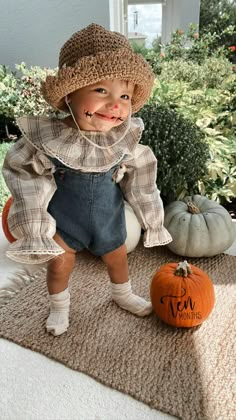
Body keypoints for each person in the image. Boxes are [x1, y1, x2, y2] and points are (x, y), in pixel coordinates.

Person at [3, 23, 172, 336]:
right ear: (70, 94)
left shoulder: (122, 139)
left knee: (118, 258)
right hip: (64, 222)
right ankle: (59, 307)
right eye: (101, 91)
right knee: (59, 264)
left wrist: (152, 218)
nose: (115, 104)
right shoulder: (53, 138)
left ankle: (122, 294)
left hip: (108, 220)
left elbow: (144, 173)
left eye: (124, 95)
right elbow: (19, 165)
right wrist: (34, 217)